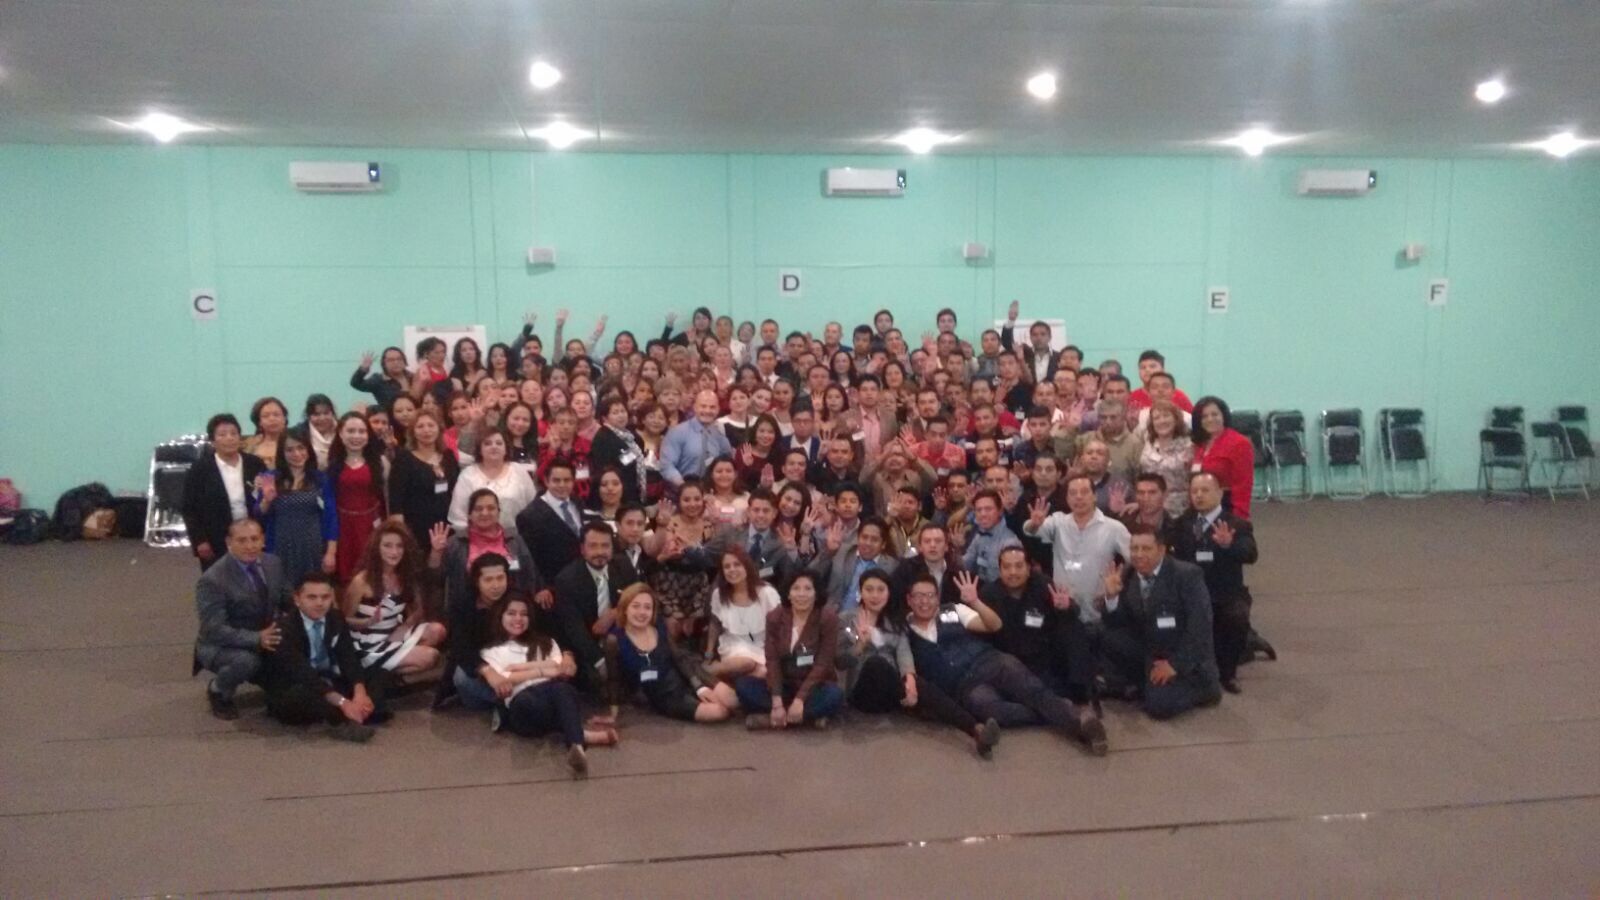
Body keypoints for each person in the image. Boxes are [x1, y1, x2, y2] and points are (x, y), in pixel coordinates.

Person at [906, 571, 1107, 754]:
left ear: (938, 597)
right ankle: (1062, 708)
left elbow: (994, 625)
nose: (925, 601)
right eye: (918, 596)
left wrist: (975, 602)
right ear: (909, 600)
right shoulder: (904, 630)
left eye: (930, 595)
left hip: (989, 661)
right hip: (964, 686)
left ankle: (1082, 725)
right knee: (991, 710)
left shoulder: (953, 610)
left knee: (1031, 689)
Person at [835, 569, 1000, 756]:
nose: (875, 595)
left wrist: (910, 680)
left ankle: (976, 731)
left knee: (919, 684)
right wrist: (860, 645)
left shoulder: (895, 621)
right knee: (876, 663)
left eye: (881, 590)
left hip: (891, 693)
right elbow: (840, 662)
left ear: (888, 593)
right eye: (869, 589)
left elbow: (904, 653)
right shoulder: (846, 619)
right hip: (862, 694)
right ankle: (935, 711)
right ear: (860, 592)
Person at [480, 593, 616, 779]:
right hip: (522, 708)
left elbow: (561, 669)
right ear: (500, 616)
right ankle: (580, 734)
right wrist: (543, 670)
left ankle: (576, 747)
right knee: (530, 699)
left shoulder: (546, 642)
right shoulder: (491, 651)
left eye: (524, 614)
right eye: (511, 613)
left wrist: (521, 668)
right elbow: (505, 679)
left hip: (553, 697)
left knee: (563, 690)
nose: (518, 619)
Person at [1101, 528, 1221, 719]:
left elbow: (1200, 627)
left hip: (1182, 656)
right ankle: (1143, 683)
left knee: (1159, 706)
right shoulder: (1128, 574)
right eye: (1134, 548)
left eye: (1146, 548)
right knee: (1101, 634)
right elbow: (1118, 623)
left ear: (1161, 550)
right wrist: (1111, 597)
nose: (1139, 554)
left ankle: (1205, 689)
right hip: (1150, 650)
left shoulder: (1187, 575)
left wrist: (1174, 665)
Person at [261, 572, 386, 741]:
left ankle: (357, 710)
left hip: (327, 677)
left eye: (325, 597)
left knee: (378, 671)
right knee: (303, 695)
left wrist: (360, 692)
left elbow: (348, 657)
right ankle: (346, 719)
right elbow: (303, 674)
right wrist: (343, 702)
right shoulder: (283, 629)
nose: (319, 603)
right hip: (296, 685)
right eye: (312, 597)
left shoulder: (336, 618)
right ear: (297, 599)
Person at [1170, 472, 1258, 694]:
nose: (1199, 496)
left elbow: (1251, 554)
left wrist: (1229, 545)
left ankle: (1228, 673)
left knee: (1236, 617)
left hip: (1225, 593)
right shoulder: (1182, 524)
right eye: (1194, 491)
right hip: (1191, 593)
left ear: (1219, 493)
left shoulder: (1237, 524)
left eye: (1205, 490)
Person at [193, 518, 289, 719]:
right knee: (246, 662)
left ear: (263, 540)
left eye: (254, 539)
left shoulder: (273, 563)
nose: (250, 546)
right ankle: (219, 690)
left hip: (266, 635)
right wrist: (257, 638)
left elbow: (286, 599)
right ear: (229, 542)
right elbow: (214, 629)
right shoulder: (212, 580)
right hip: (222, 644)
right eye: (242, 540)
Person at [604, 584, 737, 723]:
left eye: (647, 607)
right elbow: (613, 679)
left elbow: (678, 657)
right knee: (719, 711)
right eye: (636, 606)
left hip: (687, 674)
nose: (642, 612)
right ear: (625, 608)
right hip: (666, 695)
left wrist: (699, 687)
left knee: (731, 700)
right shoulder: (614, 639)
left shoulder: (658, 626)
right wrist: (613, 715)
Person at [982, 546, 1094, 703]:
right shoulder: (988, 594)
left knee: (1074, 625)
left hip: (1044, 657)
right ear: (1000, 571)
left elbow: (1071, 610)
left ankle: (1079, 692)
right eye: (1006, 567)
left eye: (1019, 566)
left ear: (1028, 569)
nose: (1013, 572)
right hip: (1011, 661)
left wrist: (1065, 607)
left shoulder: (1042, 584)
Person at [1021, 474, 1132, 630]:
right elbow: (1030, 530)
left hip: (1098, 613)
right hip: (1064, 611)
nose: (1079, 497)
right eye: (1073, 493)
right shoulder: (1058, 522)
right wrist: (1034, 523)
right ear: (1067, 498)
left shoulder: (1114, 528)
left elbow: (1134, 559)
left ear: (1095, 496)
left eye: (1084, 492)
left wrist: (1117, 583)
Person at [737, 572, 843, 729]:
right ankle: (805, 720)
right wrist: (777, 702)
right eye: (796, 588)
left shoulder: (827, 618)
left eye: (808, 589)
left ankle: (771, 720)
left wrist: (800, 699)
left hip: (814, 685)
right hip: (784, 684)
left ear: (816, 594)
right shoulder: (775, 617)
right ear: (788, 594)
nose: (801, 594)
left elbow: (823, 664)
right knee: (743, 686)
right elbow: (772, 660)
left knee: (834, 695)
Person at [343, 521, 447, 676]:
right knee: (431, 657)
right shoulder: (361, 581)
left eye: (399, 546)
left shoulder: (405, 575)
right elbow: (343, 621)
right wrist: (368, 622)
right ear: (377, 548)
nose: (394, 552)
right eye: (387, 546)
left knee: (438, 630)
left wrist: (404, 626)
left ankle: (394, 660)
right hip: (367, 643)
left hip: (393, 633)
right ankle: (382, 675)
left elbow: (419, 608)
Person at [548, 522, 630, 694]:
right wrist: (599, 661)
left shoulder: (623, 566)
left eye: (605, 546)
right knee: (593, 683)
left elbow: (640, 597)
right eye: (593, 546)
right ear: (582, 549)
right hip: (585, 643)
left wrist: (615, 612)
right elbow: (574, 629)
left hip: (621, 636)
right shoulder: (566, 580)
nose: (600, 551)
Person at [253, 428, 337, 587]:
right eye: (290, 450)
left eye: (300, 448)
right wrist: (267, 500)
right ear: (282, 453)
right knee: (282, 590)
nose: (296, 454)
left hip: (313, 546)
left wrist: (331, 553)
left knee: (313, 589)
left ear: (308, 449)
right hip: (279, 545)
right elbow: (258, 514)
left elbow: (331, 517)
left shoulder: (319, 479)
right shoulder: (271, 477)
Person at [182, 413, 266, 572]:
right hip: (216, 536)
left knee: (255, 577)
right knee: (219, 579)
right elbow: (189, 508)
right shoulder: (200, 469)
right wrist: (200, 540)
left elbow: (264, 497)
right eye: (222, 434)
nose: (229, 438)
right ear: (213, 441)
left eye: (234, 433)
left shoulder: (255, 463)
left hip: (252, 534)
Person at [649, 480, 717, 639]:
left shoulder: (709, 524)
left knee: (690, 631)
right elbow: (674, 551)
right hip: (670, 580)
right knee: (673, 631)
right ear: (679, 502)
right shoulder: (670, 522)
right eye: (686, 500)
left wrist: (717, 522)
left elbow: (713, 555)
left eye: (697, 499)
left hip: (698, 582)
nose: (692, 504)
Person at [704, 547, 783, 681]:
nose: (732, 570)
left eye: (737, 564)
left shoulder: (767, 593)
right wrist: (709, 653)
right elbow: (714, 624)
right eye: (727, 567)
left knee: (763, 672)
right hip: (734, 645)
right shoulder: (719, 594)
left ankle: (729, 680)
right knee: (746, 663)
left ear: (747, 566)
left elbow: (780, 625)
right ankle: (709, 671)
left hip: (762, 645)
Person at [328, 412, 388, 584]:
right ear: (340, 434)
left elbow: (387, 499)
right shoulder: (331, 465)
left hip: (372, 526)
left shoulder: (381, 463)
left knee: (373, 575)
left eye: (362, 431)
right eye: (351, 431)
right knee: (345, 577)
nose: (356, 436)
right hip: (343, 528)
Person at [388, 410, 460, 546]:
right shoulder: (403, 459)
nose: (426, 430)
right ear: (412, 432)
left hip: (447, 524)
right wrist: (400, 534)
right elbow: (396, 502)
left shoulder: (448, 456)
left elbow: (456, 490)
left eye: (431, 425)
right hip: (415, 528)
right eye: (420, 426)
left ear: (439, 428)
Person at [515, 460, 592, 584]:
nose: (562, 485)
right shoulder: (529, 516)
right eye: (556, 480)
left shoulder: (578, 502)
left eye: (567, 480)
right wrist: (542, 587)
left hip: (584, 577)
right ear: (546, 481)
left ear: (573, 481)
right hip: (554, 583)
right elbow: (531, 560)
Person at [448, 430, 537, 533]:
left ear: (506, 449)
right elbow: (458, 515)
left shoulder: (518, 471)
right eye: (487, 443)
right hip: (477, 538)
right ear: (480, 450)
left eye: (499, 443)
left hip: (515, 537)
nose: (494, 447)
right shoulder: (468, 475)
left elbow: (532, 507)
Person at [810, 516, 897, 613]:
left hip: (867, 618)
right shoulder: (841, 551)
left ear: (883, 544)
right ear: (858, 538)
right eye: (864, 537)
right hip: (831, 615)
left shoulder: (892, 567)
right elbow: (811, 575)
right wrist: (829, 552)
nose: (868, 543)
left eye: (874, 540)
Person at [1191, 396, 1256, 520]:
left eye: (1214, 414)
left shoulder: (1239, 443)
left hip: (1226, 506)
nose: (1210, 419)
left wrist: (1238, 518)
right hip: (1200, 506)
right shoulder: (1199, 444)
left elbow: (1243, 485)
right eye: (1204, 416)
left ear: (1224, 416)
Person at [660, 389, 733, 485]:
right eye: (703, 406)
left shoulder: (720, 436)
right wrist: (684, 487)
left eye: (712, 407)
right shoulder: (677, 432)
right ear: (695, 407)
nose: (707, 411)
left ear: (718, 409)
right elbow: (667, 465)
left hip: (711, 491)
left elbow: (727, 462)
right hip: (681, 489)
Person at [1138, 401, 1194, 517]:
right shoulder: (1148, 442)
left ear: (1176, 419)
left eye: (1166, 416)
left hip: (1180, 510)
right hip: (1149, 508)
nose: (1162, 421)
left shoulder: (1189, 446)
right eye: (1157, 418)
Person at [590, 397, 648, 504]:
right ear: (605, 418)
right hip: (617, 495)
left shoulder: (631, 435)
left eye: (623, 411)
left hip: (634, 493)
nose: (621, 415)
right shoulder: (603, 438)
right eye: (615, 412)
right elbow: (603, 469)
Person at [959, 490, 1022, 584]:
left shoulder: (1010, 542)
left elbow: (1012, 581)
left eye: (988, 509)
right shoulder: (979, 535)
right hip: (980, 587)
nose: (983, 514)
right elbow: (965, 566)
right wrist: (958, 548)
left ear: (1000, 511)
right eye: (979, 510)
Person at [1076, 398, 1142, 483]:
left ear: (1123, 418)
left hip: (1122, 489)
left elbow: (1139, 477)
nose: (1108, 422)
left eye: (1113, 417)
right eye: (1103, 417)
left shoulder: (1135, 444)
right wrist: (1069, 430)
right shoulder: (1086, 439)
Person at [1119, 473, 1180, 550]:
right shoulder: (1123, 524)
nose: (1146, 498)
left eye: (1152, 493)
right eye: (1141, 492)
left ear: (1164, 495)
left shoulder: (1177, 529)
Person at [1127, 349, 1194, 413]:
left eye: (1152, 366)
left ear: (1162, 369)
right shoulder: (1133, 397)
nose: (1147, 370)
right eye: (1143, 367)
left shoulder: (1178, 396)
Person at [242, 396, 289, 469]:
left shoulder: (295, 441)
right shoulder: (249, 445)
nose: (272, 419)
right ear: (259, 422)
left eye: (276, 415)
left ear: (284, 418)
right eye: (266, 416)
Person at [303, 394, 339, 469]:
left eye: (326, 413)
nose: (322, 418)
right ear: (308, 416)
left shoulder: (342, 431)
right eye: (316, 414)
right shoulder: (301, 435)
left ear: (332, 413)